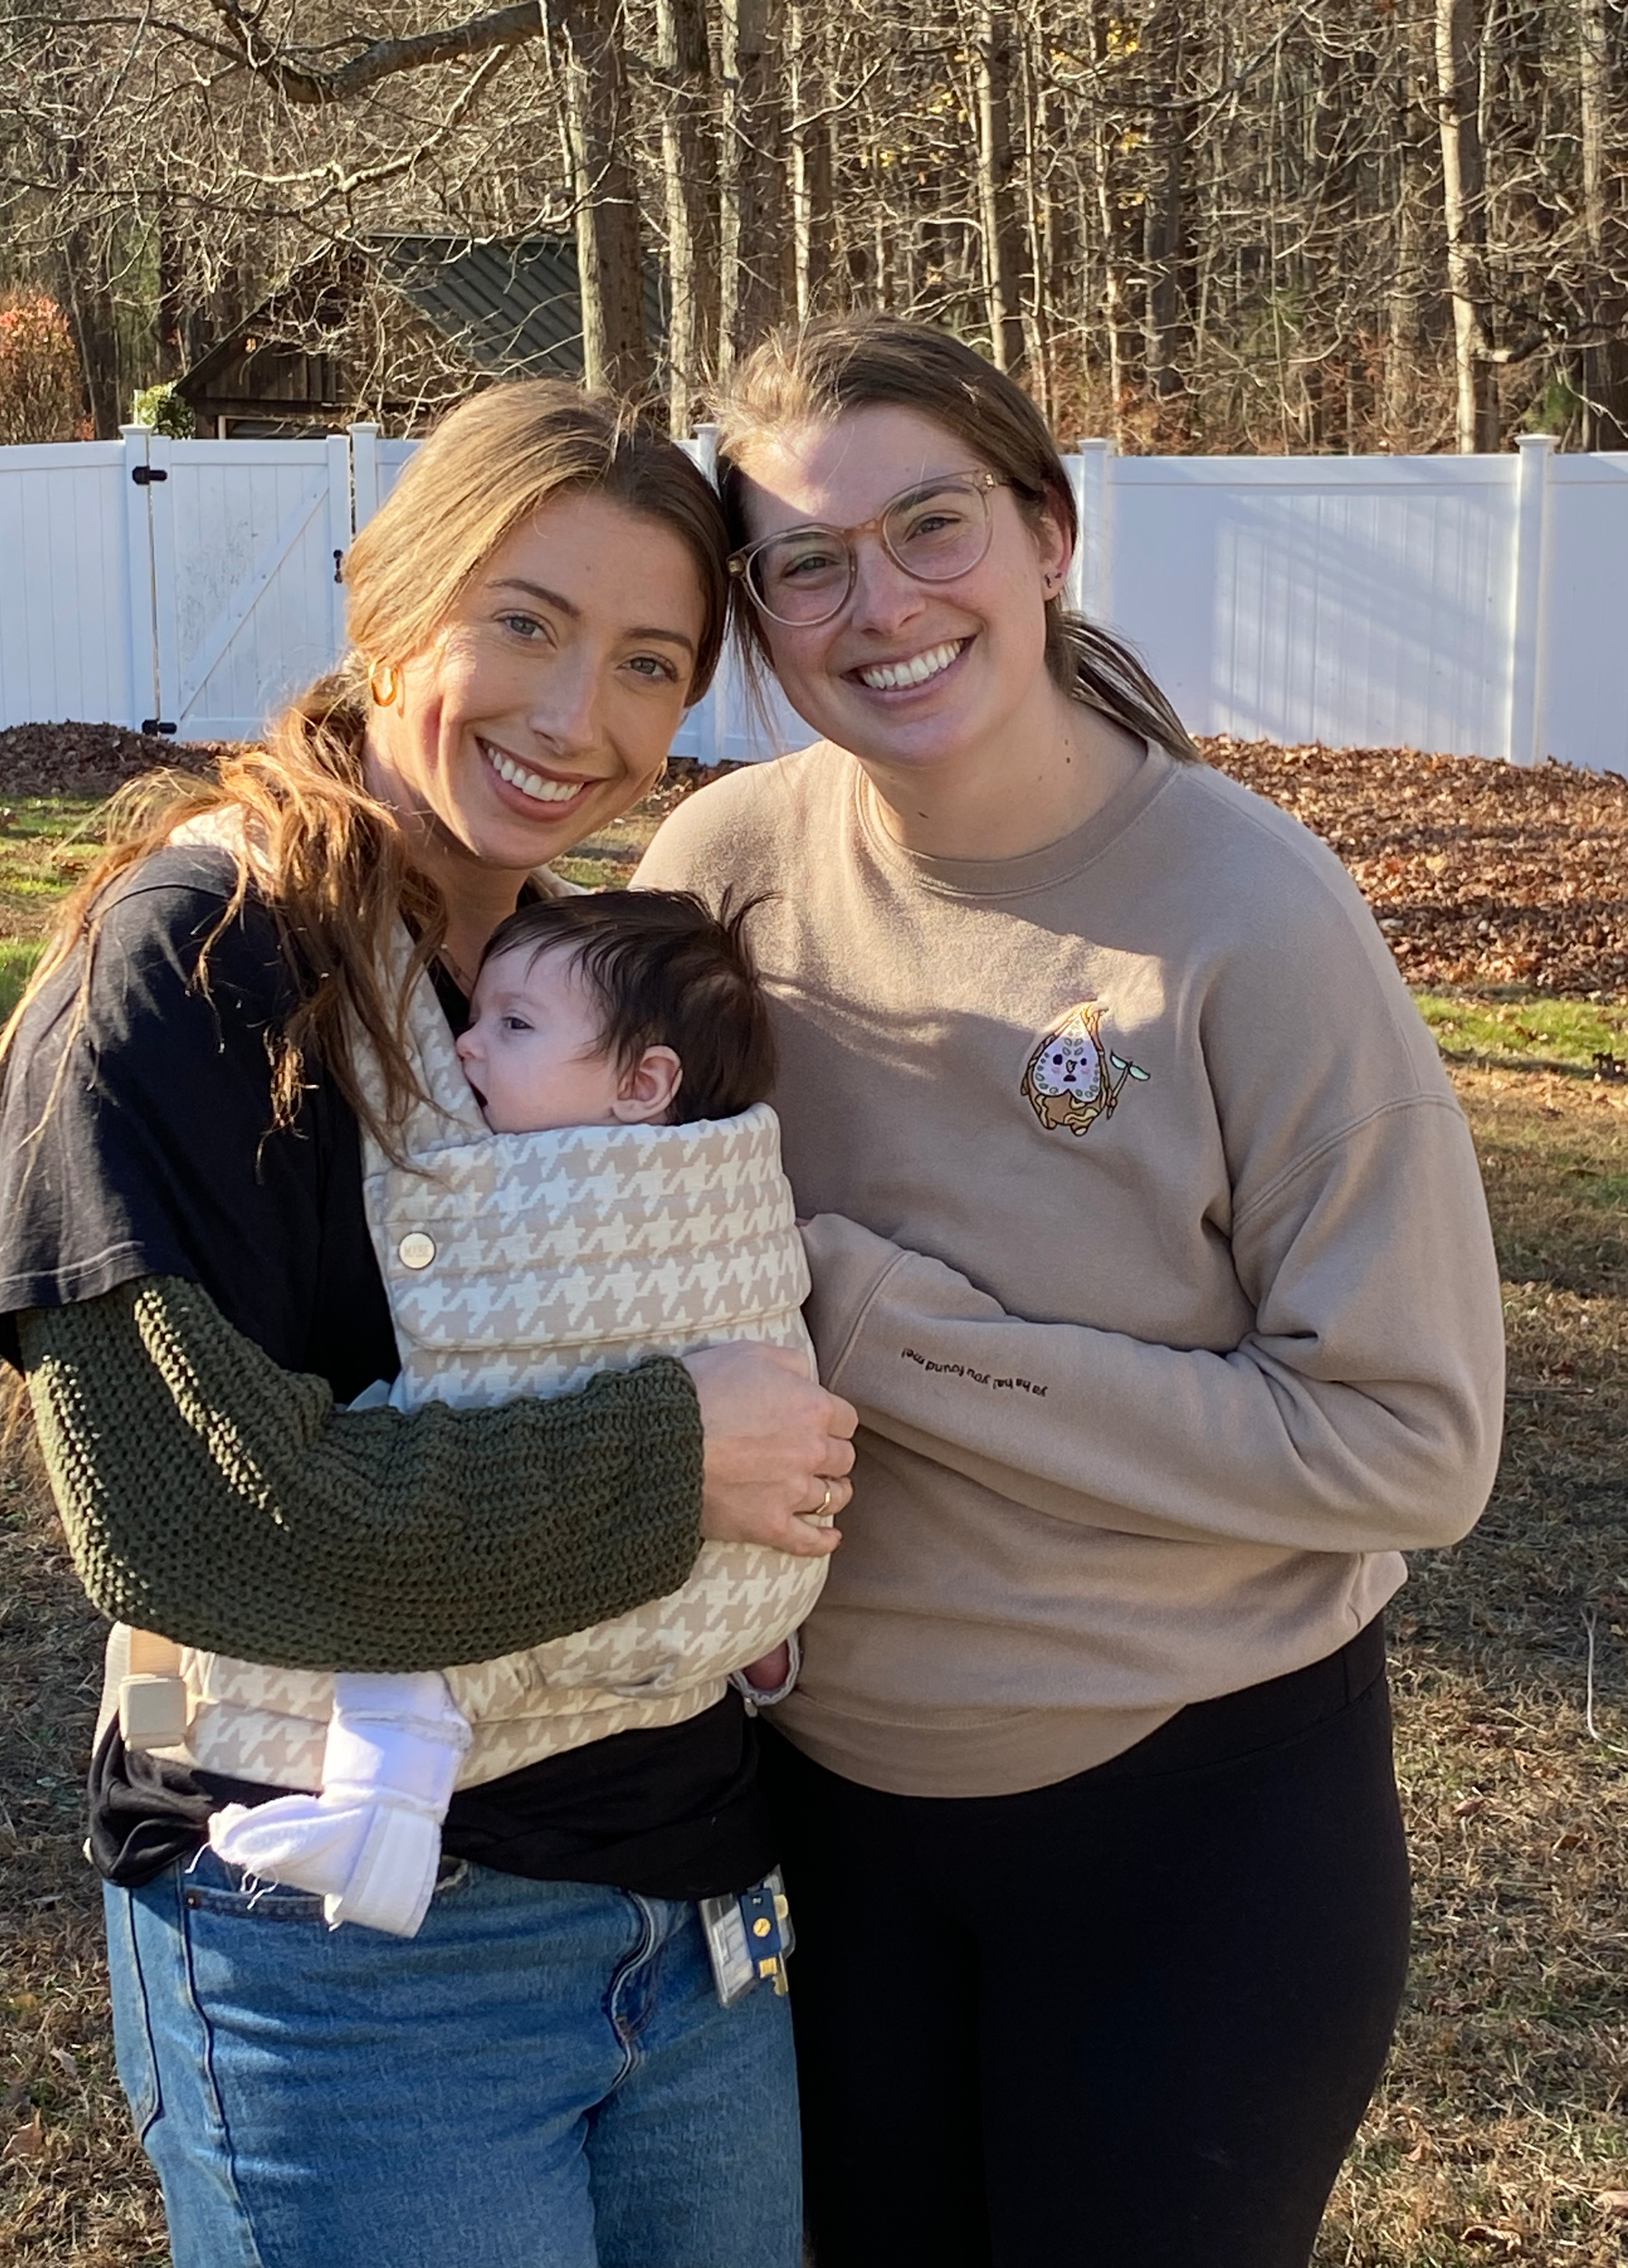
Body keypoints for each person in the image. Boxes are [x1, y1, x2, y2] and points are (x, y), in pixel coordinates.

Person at [636, 316, 1505, 2268]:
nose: (881, 604)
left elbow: (1413, 1440)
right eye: (807, 563)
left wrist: (878, 1331)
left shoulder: (1245, 916)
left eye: (930, 524)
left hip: (1188, 1832)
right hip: (809, 1816)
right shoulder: (720, 868)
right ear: (761, 617)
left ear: (1047, 531)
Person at [0, 382, 854, 2268]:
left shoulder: (568, 983)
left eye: (645, 660)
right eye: (521, 622)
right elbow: (193, 1521)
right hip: (361, 1953)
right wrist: (679, 1447)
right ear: (388, 593)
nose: (575, 716)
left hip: (693, 1904)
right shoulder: (193, 965)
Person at [199, 889, 822, 1939]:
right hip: (748, 1629)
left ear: (644, 1085)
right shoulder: (694, 1149)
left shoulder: (597, 1189)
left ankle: (380, 1821)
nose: (467, 1047)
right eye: (476, 1017)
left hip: (637, 1626)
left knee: (412, 1643)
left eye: (513, 1026)